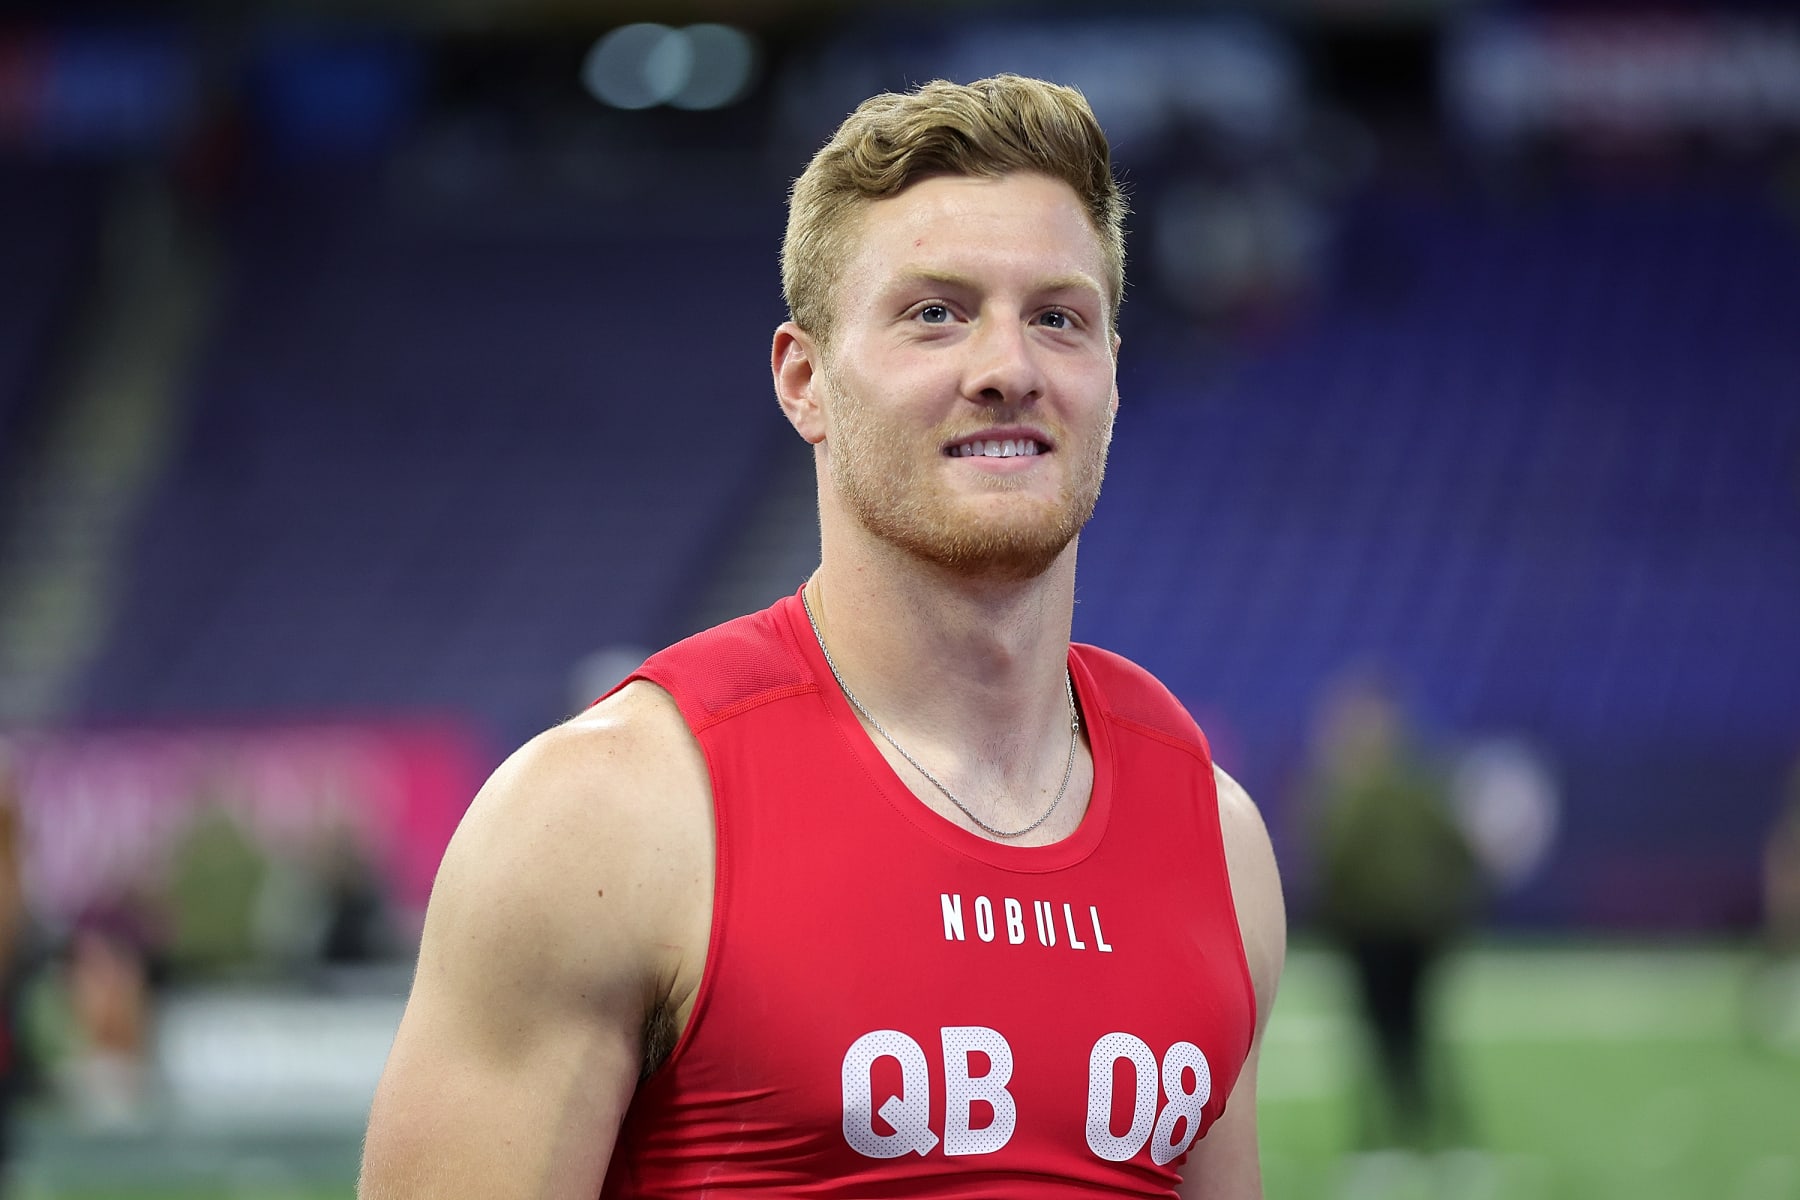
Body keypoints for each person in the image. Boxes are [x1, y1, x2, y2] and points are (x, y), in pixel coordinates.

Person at [359, 74, 1285, 1198]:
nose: (1008, 368)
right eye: (934, 313)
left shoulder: (1216, 837)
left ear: (1110, 376)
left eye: (1058, 316)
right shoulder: (604, 817)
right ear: (805, 381)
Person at [1305, 670, 1479, 1151]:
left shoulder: (1410, 788)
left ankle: (1435, 1132)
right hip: (1368, 933)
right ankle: (1388, 1136)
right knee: (1379, 1035)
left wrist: (1443, 912)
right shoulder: (1346, 791)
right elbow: (1330, 862)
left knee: (1414, 1032)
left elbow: (1458, 851)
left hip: (1407, 933)